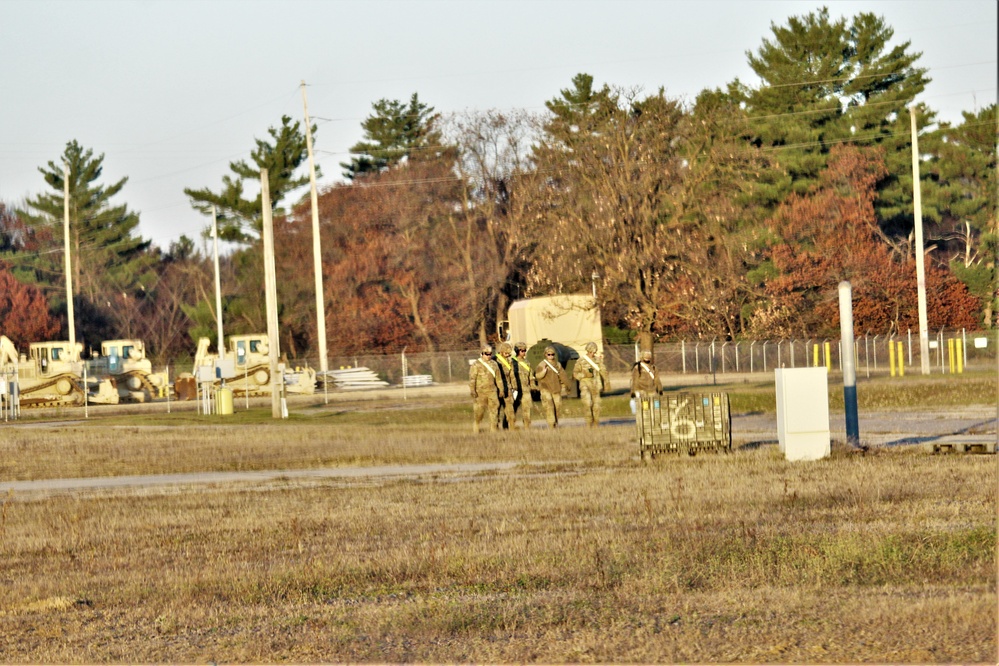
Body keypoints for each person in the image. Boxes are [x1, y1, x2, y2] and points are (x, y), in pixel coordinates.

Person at [573, 341, 610, 426]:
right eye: (591, 351)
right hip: (585, 385)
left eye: (594, 352)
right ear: (588, 351)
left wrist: (607, 382)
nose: (592, 353)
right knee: (587, 403)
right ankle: (589, 423)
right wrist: (584, 375)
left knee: (596, 405)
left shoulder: (598, 360)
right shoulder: (581, 361)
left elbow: (603, 371)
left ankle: (596, 423)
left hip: (596, 385)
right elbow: (575, 374)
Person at [468, 344, 503, 433]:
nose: (488, 356)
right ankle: (476, 425)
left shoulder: (495, 364)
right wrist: (473, 391)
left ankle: (493, 429)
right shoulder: (476, 365)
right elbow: (472, 379)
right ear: (481, 353)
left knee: (494, 410)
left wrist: (501, 389)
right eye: (486, 354)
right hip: (480, 392)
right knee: (479, 412)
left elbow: (498, 378)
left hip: (492, 391)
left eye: (490, 354)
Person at [534, 345, 569, 428]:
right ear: (545, 355)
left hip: (556, 389)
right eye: (549, 354)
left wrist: (567, 385)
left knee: (557, 407)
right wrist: (543, 372)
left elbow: (563, 375)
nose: (551, 356)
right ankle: (551, 425)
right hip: (545, 389)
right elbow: (537, 376)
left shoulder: (557, 364)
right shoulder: (541, 365)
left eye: (552, 354)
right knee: (549, 407)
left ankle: (555, 423)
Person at [512, 342, 537, 428]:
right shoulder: (512, 362)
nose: (523, 352)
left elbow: (530, 375)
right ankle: (511, 426)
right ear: (517, 351)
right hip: (515, 389)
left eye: (524, 350)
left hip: (526, 389)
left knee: (527, 409)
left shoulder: (527, 362)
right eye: (521, 350)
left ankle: (527, 426)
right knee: (512, 409)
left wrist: (532, 385)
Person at [495, 342, 516, 429]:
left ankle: (511, 426)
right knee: (496, 408)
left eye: (509, 354)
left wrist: (514, 385)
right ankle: (495, 427)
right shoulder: (495, 361)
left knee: (509, 408)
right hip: (497, 388)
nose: (507, 355)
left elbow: (512, 374)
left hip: (507, 387)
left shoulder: (510, 361)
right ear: (501, 352)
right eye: (506, 353)